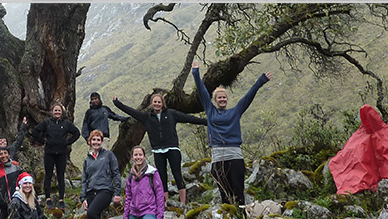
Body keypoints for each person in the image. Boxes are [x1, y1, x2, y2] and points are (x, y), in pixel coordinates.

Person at [191, 61, 273, 206]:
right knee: (225, 194)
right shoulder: (210, 111)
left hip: (235, 156)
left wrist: (261, 81)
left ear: (227, 99)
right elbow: (202, 92)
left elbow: (248, 97)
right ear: (215, 100)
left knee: (239, 192)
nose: (222, 99)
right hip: (217, 158)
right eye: (219, 98)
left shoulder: (235, 112)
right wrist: (196, 73)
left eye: (224, 97)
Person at [113, 94, 206, 204]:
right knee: (162, 177)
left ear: (162, 103)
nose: (157, 104)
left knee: (177, 174)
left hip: (172, 149)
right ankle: (166, 202)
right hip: (158, 151)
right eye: (155, 102)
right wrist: (117, 103)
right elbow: (132, 112)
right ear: (151, 104)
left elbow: (189, 118)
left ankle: (183, 203)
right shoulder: (147, 117)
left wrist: (206, 121)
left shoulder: (171, 114)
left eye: (159, 102)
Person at [80, 130, 122, 219]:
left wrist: (117, 192)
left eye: (98, 140)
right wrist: (83, 198)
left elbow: (116, 173)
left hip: (105, 190)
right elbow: (84, 180)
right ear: (90, 142)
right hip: (91, 193)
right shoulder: (87, 159)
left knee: (91, 213)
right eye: (94, 140)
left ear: (101, 142)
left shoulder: (108, 155)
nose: (96, 142)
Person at [32, 102, 81, 209]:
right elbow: (35, 131)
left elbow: (77, 133)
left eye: (59, 110)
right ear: (52, 112)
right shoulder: (47, 122)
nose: (57, 112)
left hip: (62, 154)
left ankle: (61, 200)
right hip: (49, 153)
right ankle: (48, 198)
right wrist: (42, 141)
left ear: (62, 112)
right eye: (55, 110)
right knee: (48, 176)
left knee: (60, 176)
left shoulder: (67, 124)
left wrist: (68, 142)